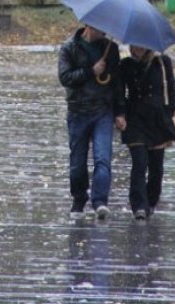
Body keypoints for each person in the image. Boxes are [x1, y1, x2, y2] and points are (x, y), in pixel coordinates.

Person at [58, 25, 126, 220]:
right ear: (88, 26)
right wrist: (91, 71)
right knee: (77, 162)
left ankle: (100, 201)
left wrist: (120, 112)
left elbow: (117, 82)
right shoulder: (69, 48)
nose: (103, 31)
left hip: (102, 111)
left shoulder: (110, 49)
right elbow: (65, 78)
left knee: (103, 158)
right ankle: (79, 200)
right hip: (78, 112)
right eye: (99, 28)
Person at [117, 45, 175, 221]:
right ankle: (138, 206)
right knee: (139, 162)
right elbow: (120, 92)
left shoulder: (162, 62)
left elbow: (171, 88)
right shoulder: (126, 65)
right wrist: (120, 113)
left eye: (141, 45)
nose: (137, 49)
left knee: (156, 167)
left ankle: (151, 202)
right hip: (135, 119)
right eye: (134, 45)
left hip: (158, 120)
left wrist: (169, 110)